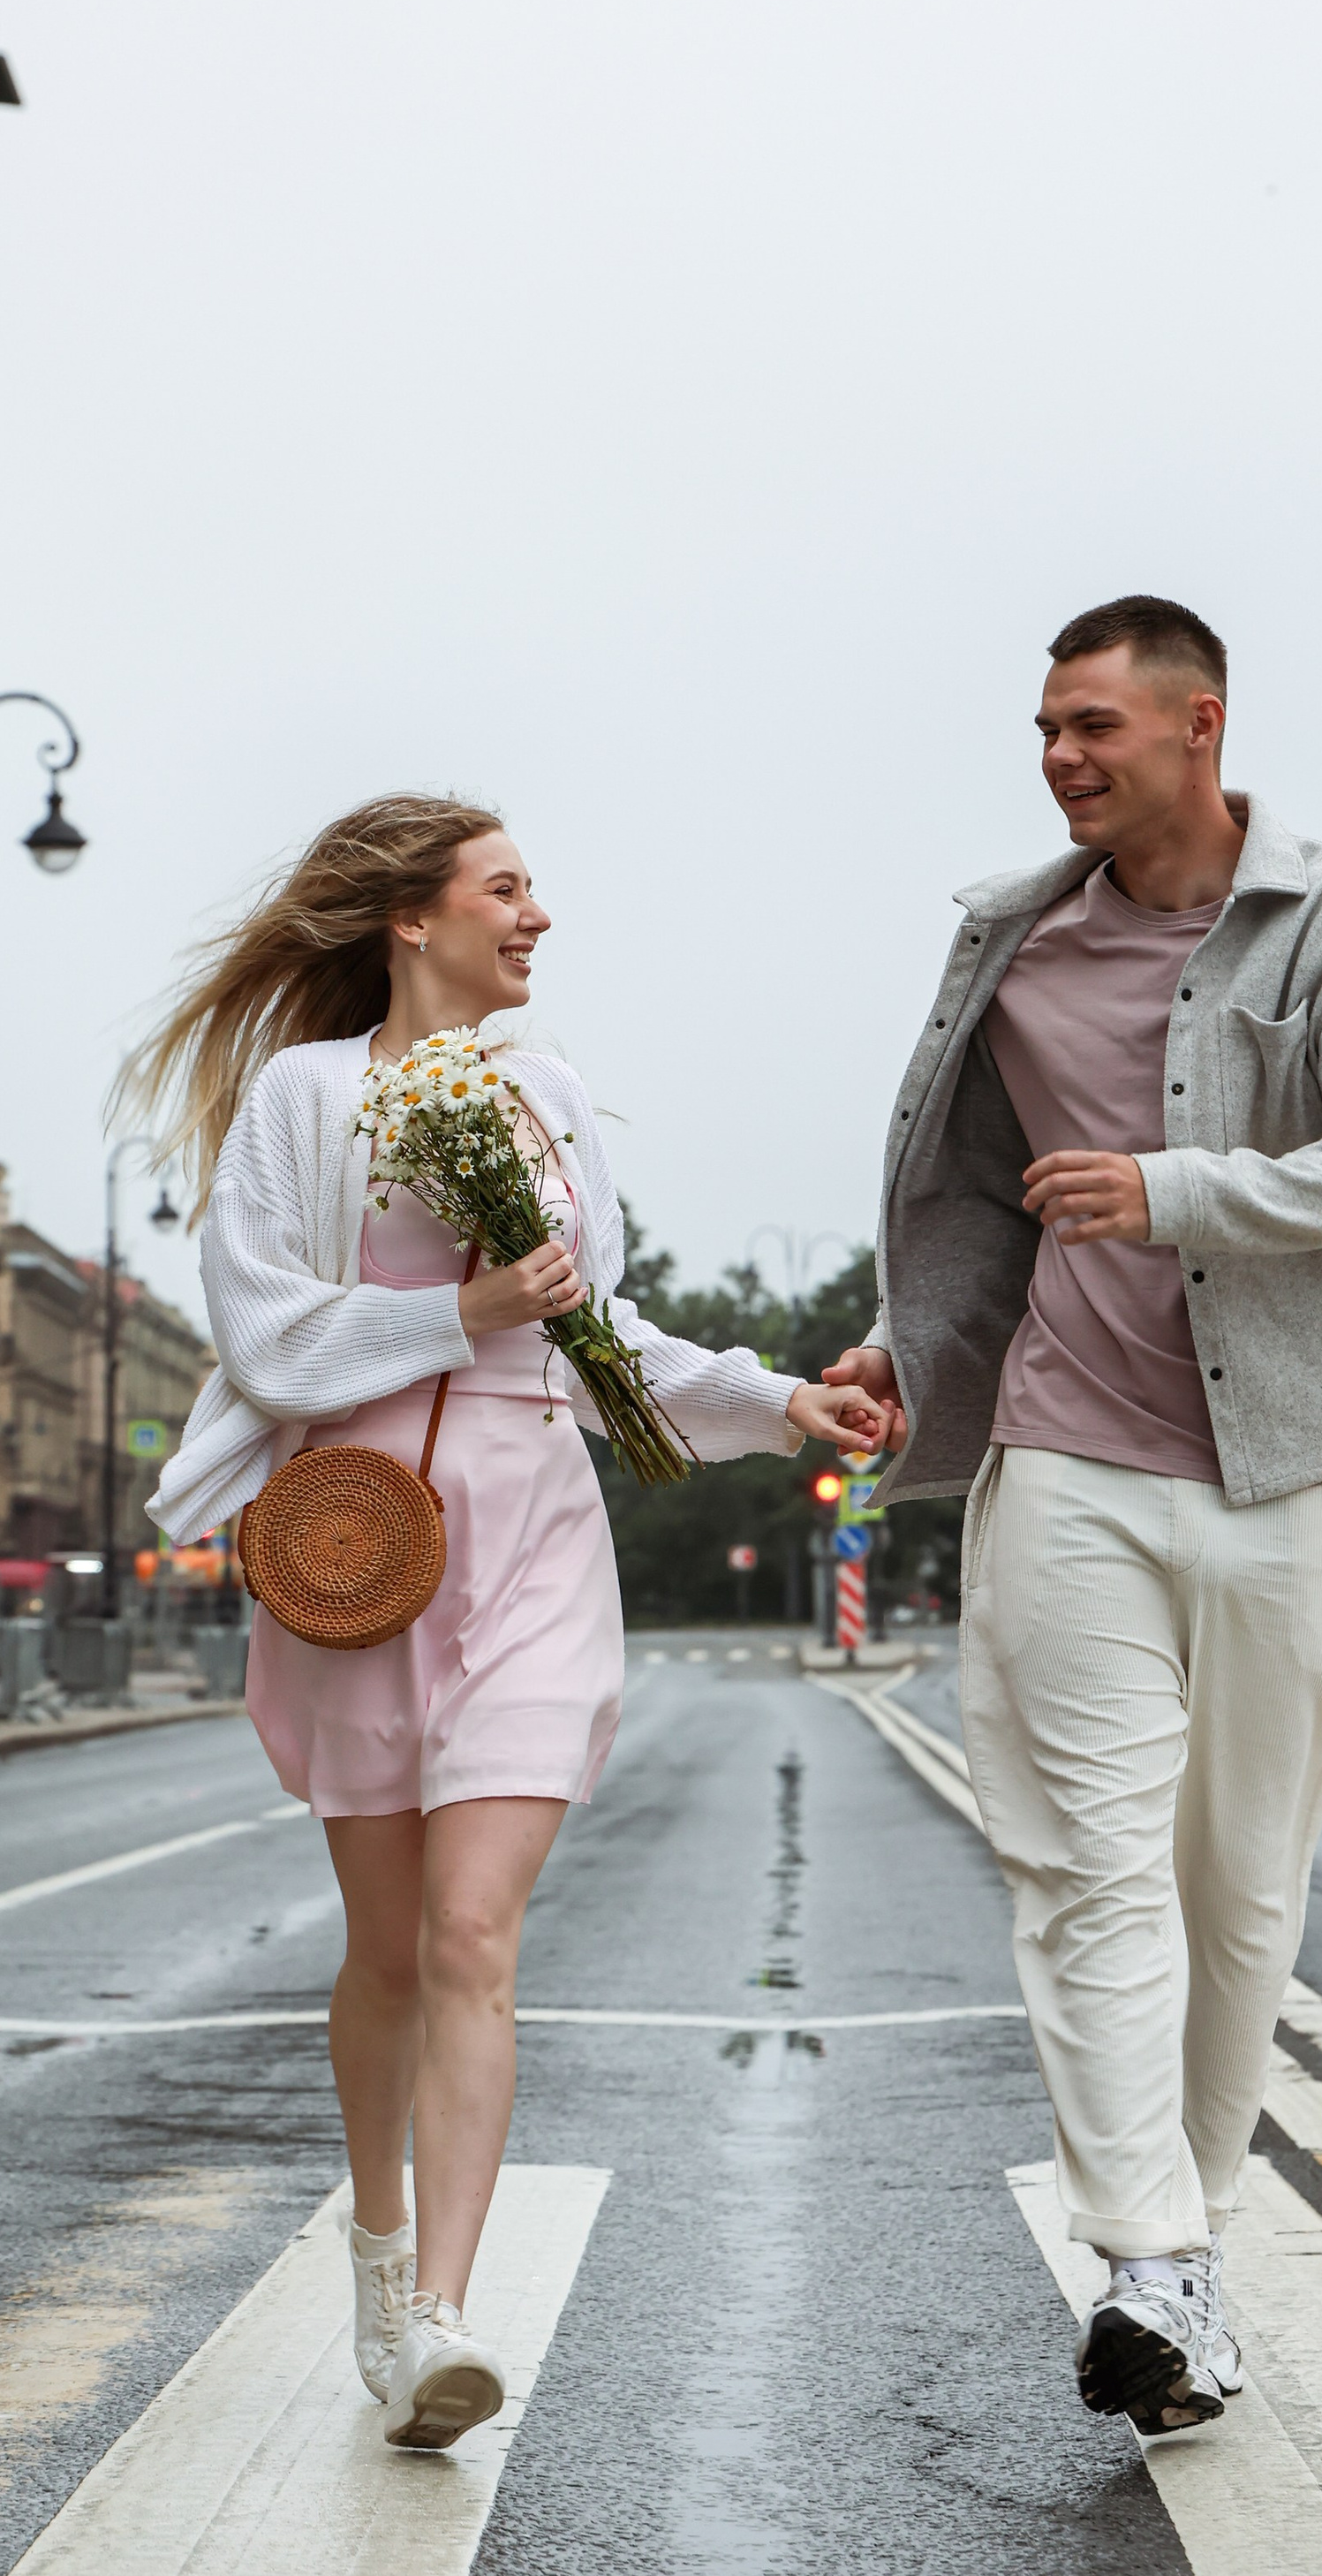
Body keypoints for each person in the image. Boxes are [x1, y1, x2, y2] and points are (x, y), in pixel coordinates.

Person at [132, 794, 886, 2454]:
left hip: (536, 1527)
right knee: (390, 1949)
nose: (537, 916)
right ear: (415, 919)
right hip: (367, 1546)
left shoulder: (544, 1096)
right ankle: (378, 2255)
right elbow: (266, 1336)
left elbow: (595, 1335)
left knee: (477, 1936)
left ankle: (445, 2323)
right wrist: (458, 1306)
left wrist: (780, 1404)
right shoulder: (307, 1095)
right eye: (508, 889)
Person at [829, 598, 1322, 2435]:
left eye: (1092, 729)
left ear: (1197, 725)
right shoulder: (1010, 940)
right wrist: (908, 1346)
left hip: (1286, 1462)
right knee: (1081, 1864)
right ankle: (1143, 2257)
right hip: (1062, 1451)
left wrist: (1165, 1187)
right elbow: (972, 1202)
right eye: (1044, 729)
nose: (1059, 760)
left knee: (1235, 1885)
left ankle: (1188, 2248)